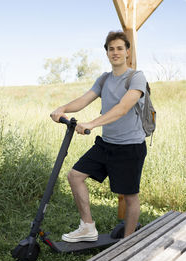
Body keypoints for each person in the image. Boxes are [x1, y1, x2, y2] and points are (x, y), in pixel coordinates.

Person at [50, 30, 147, 242]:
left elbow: (123, 108)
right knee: (75, 176)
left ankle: (127, 242)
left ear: (127, 52)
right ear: (107, 53)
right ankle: (87, 227)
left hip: (130, 147)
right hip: (106, 145)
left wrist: (92, 124)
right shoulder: (104, 80)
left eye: (120, 48)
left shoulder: (136, 77)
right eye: (111, 49)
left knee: (130, 196)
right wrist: (62, 108)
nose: (115, 52)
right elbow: (85, 99)